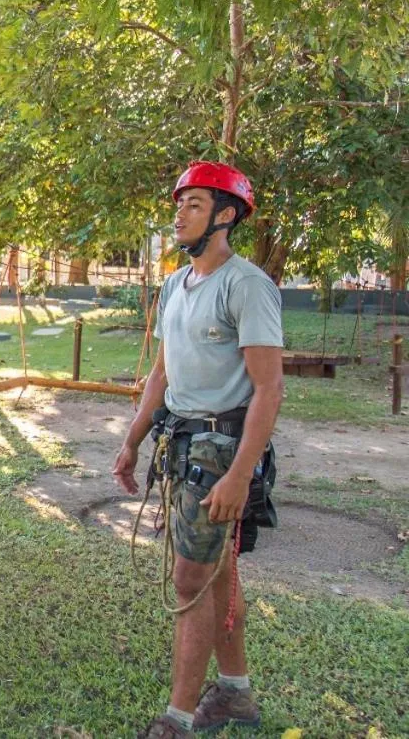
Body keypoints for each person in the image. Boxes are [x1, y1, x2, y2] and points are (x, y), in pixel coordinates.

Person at [112, 162, 284, 738]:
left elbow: (268, 389)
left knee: (190, 579)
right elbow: (161, 374)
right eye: (179, 203)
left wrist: (239, 474)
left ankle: (177, 720)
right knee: (214, 575)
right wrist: (132, 441)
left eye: (194, 204)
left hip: (222, 451)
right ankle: (235, 695)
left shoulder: (248, 285)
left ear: (226, 215)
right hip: (180, 443)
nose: (180, 213)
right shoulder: (172, 286)